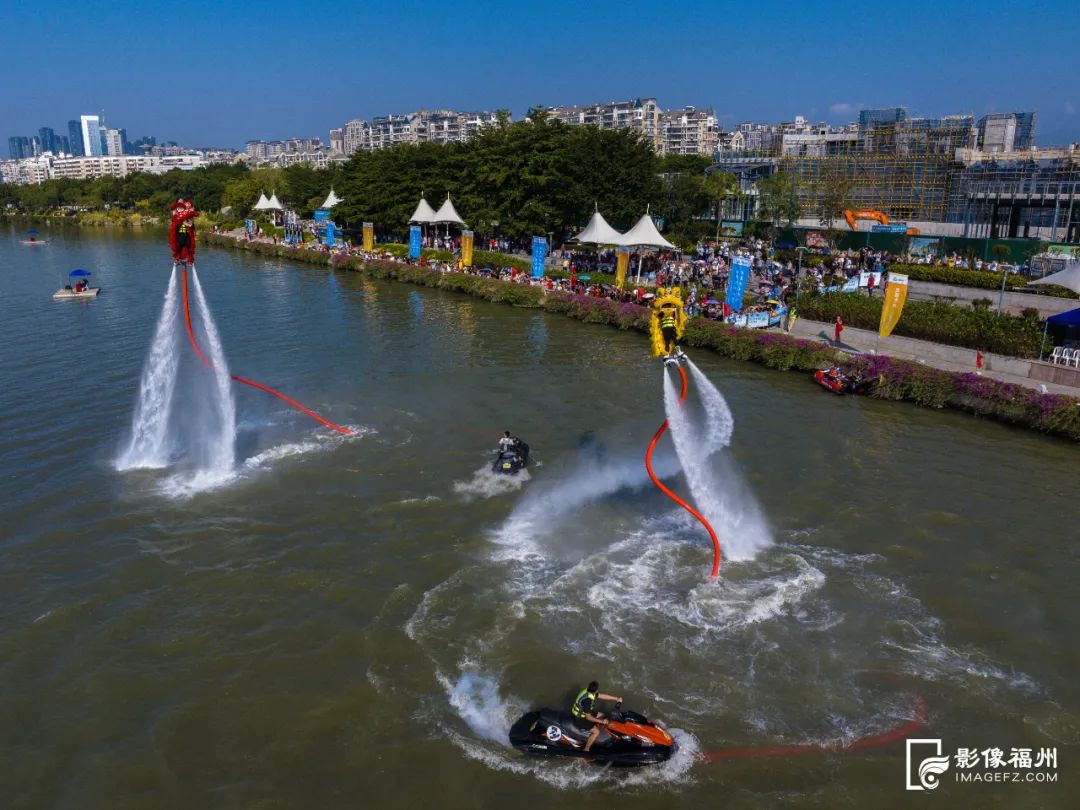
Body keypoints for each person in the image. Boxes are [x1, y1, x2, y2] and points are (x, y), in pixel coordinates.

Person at [571, 681, 623, 753]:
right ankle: (586, 749)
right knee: (596, 732)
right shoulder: (588, 701)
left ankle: (600, 730)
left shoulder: (587, 691)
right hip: (580, 718)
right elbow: (588, 718)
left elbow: (601, 696)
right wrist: (602, 721)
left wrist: (616, 699)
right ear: (596, 690)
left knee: (601, 715)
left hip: (583, 713)